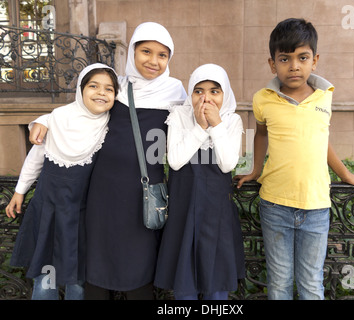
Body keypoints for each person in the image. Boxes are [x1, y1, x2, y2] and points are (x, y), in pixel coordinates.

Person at [29, 22, 187, 299]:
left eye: (162, 55)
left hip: (144, 193)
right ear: (132, 53)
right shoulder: (116, 87)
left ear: (170, 58)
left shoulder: (176, 94)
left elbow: (190, 137)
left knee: (139, 267)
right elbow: (80, 113)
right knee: (98, 265)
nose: (153, 61)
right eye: (146, 51)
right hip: (102, 191)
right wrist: (42, 120)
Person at [235, 18, 354, 300]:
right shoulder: (263, 99)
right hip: (275, 204)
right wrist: (255, 169)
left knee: (312, 283)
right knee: (279, 283)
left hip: (316, 207)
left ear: (315, 60)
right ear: (272, 64)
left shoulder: (325, 96)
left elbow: (321, 141)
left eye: (302, 58)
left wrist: (345, 175)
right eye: (285, 59)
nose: (294, 66)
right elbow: (261, 135)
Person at [5, 63, 119, 300]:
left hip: (81, 214)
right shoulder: (57, 118)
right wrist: (19, 191)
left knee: (76, 279)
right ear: (80, 88)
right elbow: (35, 157)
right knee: (46, 275)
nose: (101, 93)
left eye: (109, 89)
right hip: (49, 209)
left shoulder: (111, 124)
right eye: (94, 86)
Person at [154, 64, 245, 300]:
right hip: (183, 210)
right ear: (190, 94)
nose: (206, 98)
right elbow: (175, 161)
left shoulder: (232, 120)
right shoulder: (178, 116)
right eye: (198, 91)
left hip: (217, 212)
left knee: (216, 284)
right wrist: (199, 127)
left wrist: (216, 125)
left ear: (225, 93)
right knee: (185, 284)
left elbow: (227, 164)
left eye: (214, 91)